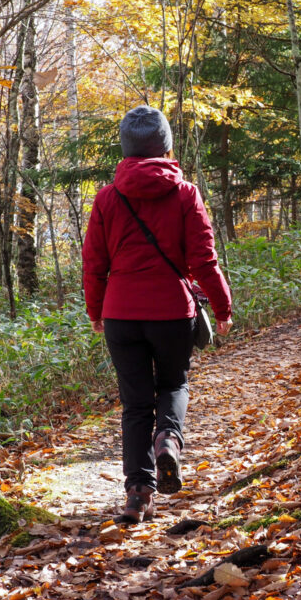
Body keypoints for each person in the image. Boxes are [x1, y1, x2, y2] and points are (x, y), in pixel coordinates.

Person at [82, 105, 233, 524]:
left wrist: (96, 310)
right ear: (165, 145)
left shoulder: (107, 198)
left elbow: (94, 264)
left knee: (134, 405)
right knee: (173, 384)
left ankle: (137, 495)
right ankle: (168, 440)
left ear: (126, 149)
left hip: (121, 314)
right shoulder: (185, 193)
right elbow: (204, 259)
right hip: (171, 312)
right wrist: (222, 308)